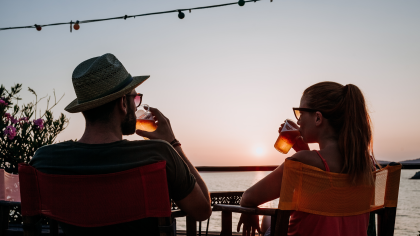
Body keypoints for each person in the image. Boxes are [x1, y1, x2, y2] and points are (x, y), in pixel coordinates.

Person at [30, 53, 212, 236]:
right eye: (134, 99)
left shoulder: (45, 160)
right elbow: (202, 210)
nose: (136, 105)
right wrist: (173, 143)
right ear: (122, 104)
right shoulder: (159, 155)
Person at [237, 81, 377, 236]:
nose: (298, 121)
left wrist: (250, 213)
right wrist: (304, 150)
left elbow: (248, 198)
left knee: (267, 220)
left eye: (300, 113)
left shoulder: (302, 161)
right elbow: (328, 198)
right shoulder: (366, 166)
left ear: (318, 118)